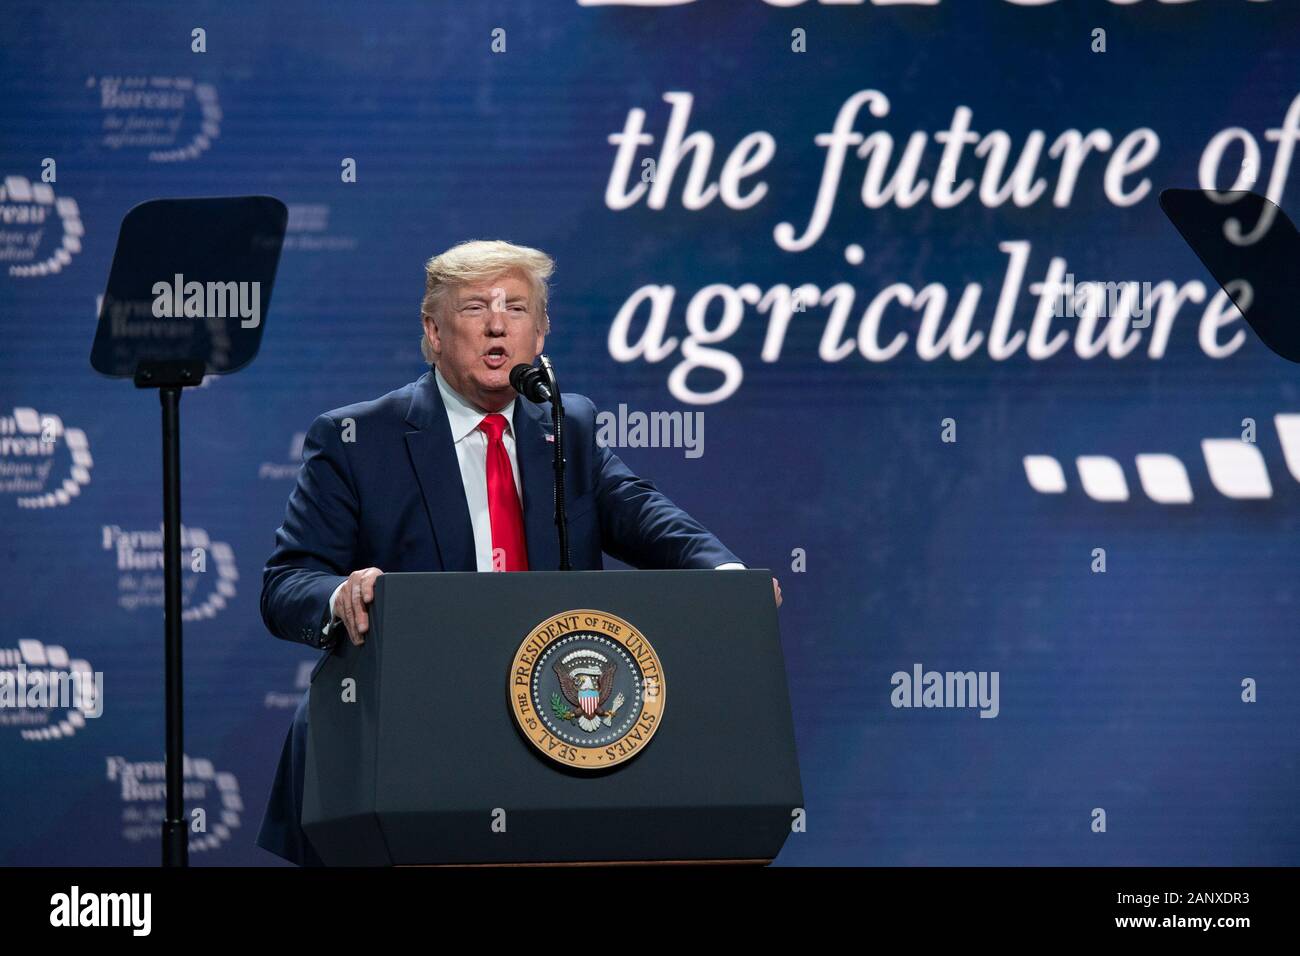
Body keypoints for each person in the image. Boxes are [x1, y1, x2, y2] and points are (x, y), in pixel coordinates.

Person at [255, 239, 781, 865]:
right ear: (434, 330)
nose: (498, 323)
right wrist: (340, 596)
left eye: (518, 307)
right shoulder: (357, 438)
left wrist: (728, 579)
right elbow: (287, 582)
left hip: (542, 745)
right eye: (476, 307)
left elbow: (642, 513)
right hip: (398, 745)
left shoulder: (566, 426)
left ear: (542, 332)